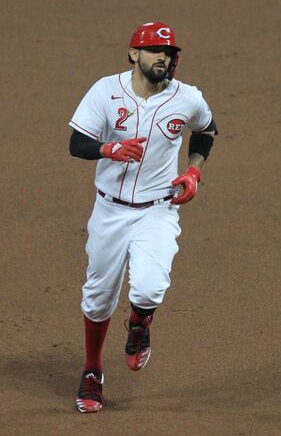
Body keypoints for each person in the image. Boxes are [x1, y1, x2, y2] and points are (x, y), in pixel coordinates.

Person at [67, 21, 217, 413]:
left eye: (168, 53)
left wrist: (194, 170)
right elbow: (76, 142)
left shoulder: (187, 99)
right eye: (154, 51)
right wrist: (107, 150)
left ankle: (138, 324)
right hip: (110, 210)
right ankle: (93, 372)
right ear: (135, 54)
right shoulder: (105, 90)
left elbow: (206, 130)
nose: (163, 58)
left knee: (149, 290)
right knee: (98, 299)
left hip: (159, 209)